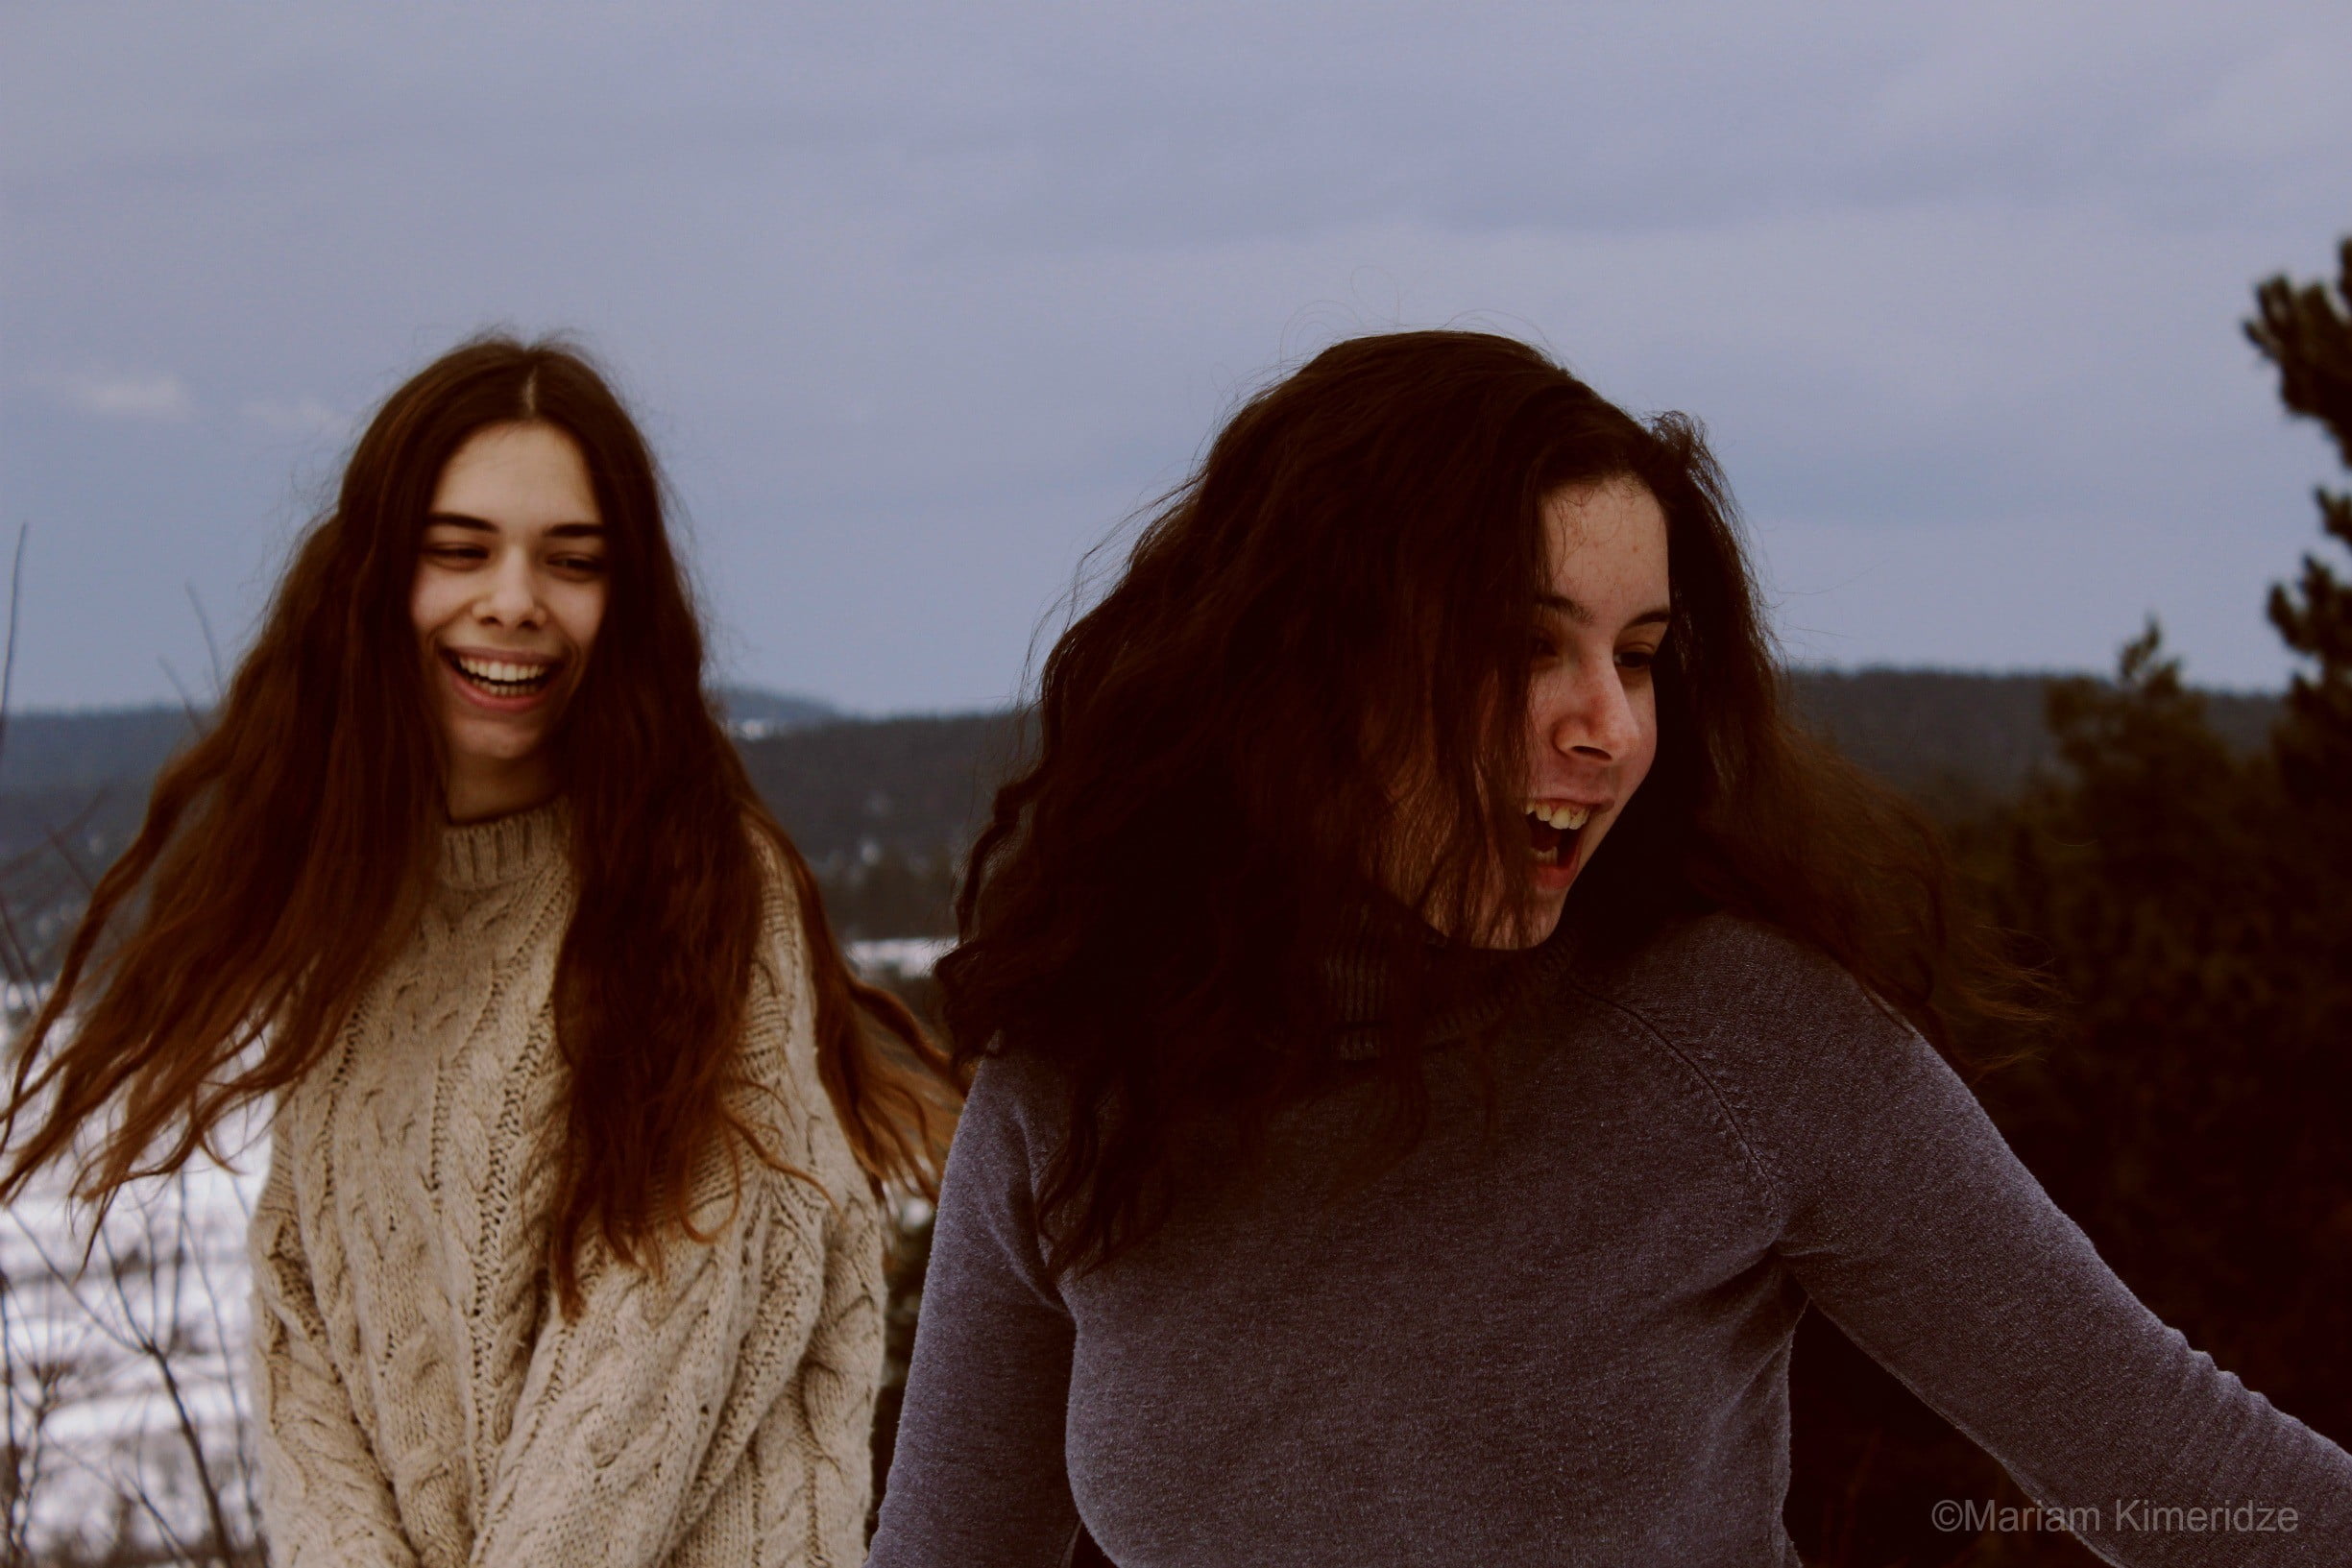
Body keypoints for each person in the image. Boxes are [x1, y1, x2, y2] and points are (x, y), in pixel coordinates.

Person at [865, 330, 2352, 1566]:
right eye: (1527, 646)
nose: (1611, 724)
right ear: (1301, 668)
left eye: (1637, 655)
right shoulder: (1078, 1090)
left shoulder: (1740, 1042)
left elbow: (2181, 1464)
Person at [0, 337, 958, 1567]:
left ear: (627, 603)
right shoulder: (356, 916)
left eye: (573, 561)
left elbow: (651, 1351)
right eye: (460, 550)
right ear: (374, 580)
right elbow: (307, 1360)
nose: (514, 599)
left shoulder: (705, 896)